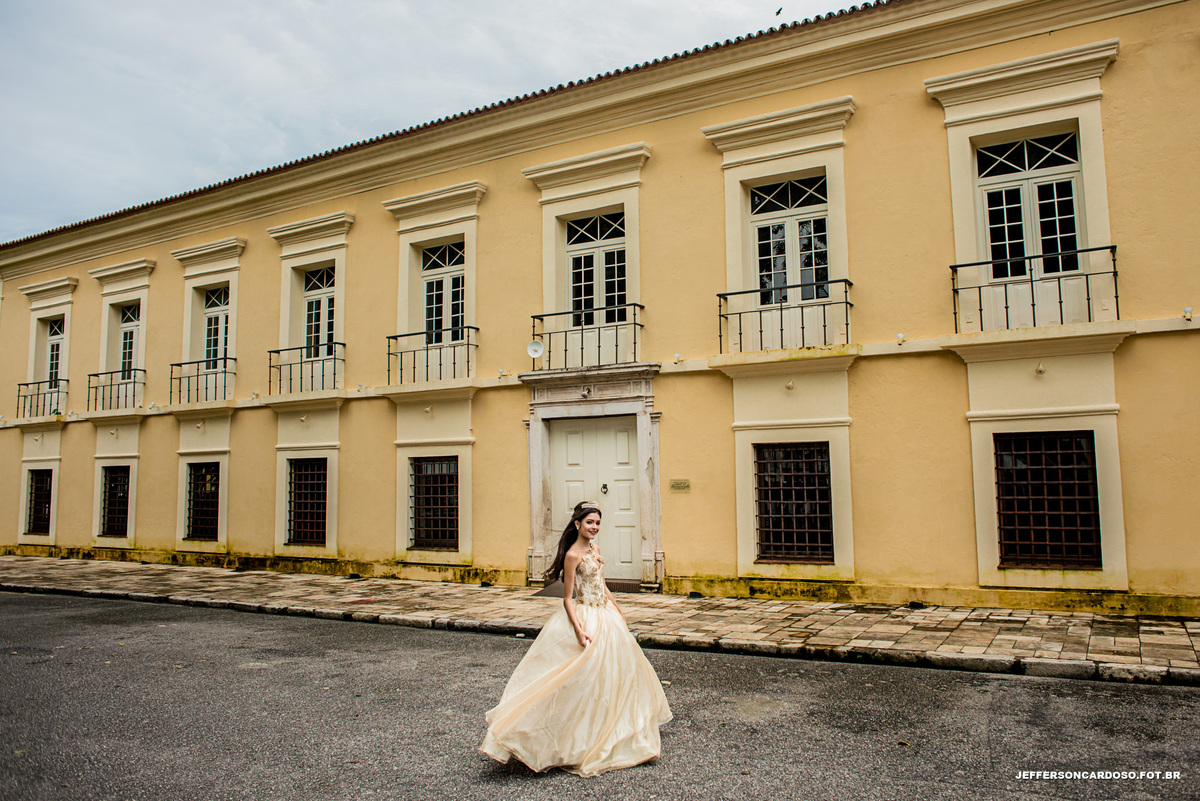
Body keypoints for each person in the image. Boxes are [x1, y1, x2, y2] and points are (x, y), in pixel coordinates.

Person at [480, 501, 672, 777]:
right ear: (577, 524)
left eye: (597, 523)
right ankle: (562, 738)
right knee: (573, 678)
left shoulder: (595, 548)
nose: (594, 528)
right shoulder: (572, 555)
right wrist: (579, 629)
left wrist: (616, 607)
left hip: (605, 616)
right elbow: (567, 598)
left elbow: (602, 584)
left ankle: (613, 730)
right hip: (585, 616)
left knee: (614, 676)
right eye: (589, 522)